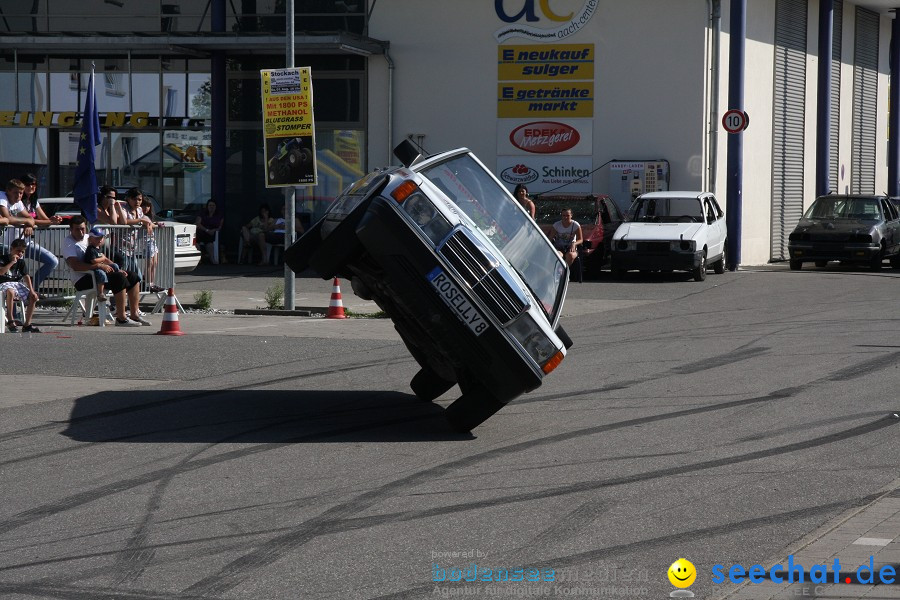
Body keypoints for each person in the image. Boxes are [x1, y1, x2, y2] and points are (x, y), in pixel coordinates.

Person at [63, 216, 149, 327]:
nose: (81, 232)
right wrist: (98, 265)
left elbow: (102, 256)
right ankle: (121, 318)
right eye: (77, 229)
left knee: (132, 276)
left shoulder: (89, 238)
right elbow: (75, 266)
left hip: (98, 275)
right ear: (71, 230)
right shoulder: (68, 243)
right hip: (82, 279)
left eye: (83, 229)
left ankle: (134, 315)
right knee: (119, 278)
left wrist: (116, 268)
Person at [15, 173, 62, 296]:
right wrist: (44, 221)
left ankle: (32, 290)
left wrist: (53, 220)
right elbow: (31, 220)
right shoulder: (18, 201)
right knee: (15, 273)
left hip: (26, 242)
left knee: (52, 261)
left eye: (34, 184)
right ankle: (14, 303)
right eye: (28, 184)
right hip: (14, 242)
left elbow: (45, 221)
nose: (31, 187)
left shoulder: (34, 202)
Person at [0, 238, 41, 333]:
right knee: (10, 291)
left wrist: (32, 290)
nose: (20, 253)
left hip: (16, 284)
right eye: (18, 251)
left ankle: (27, 324)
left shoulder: (21, 262)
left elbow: (26, 276)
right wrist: (12, 262)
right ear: (11, 249)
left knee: (33, 297)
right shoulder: (3, 259)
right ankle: (10, 320)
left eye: (22, 252)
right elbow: (1, 272)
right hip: (3, 284)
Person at [140, 195, 166, 289]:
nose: (145, 208)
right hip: (145, 241)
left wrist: (154, 224)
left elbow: (150, 224)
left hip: (152, 240)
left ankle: (152, 282)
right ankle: (148, 283)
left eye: (147, 206)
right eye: (143, 206)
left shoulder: (149, 216)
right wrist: (156, 225)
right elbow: (147, 225)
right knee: (149, 263)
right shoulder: (140, 216)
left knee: (155, 262)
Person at [195, 199, 224, 265]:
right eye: (210, 205)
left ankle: (212, 259)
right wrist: (206, 230)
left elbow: (220, 227)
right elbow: (198, 223)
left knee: (210, 245)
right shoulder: (202, 213)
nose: (211, 207)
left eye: (213, 205)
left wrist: (214, 230)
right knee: (196, 244)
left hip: (211, 233)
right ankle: (198, 260)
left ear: (216, 207)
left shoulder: (219, 216)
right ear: (207, 206)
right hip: (201, 231)